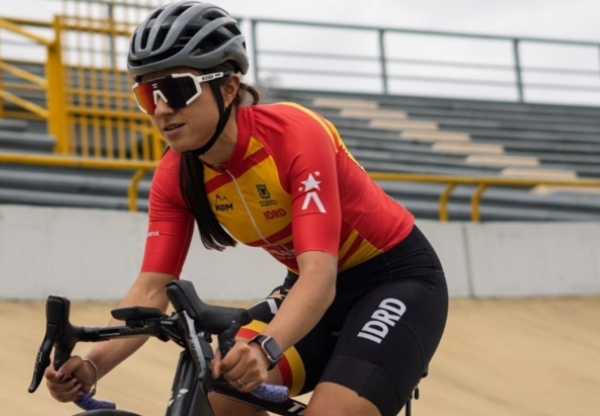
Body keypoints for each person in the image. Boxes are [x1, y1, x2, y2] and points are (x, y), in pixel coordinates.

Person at [43, 2, 449, 415]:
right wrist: (94, 363)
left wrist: (266, 348)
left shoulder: (295, 135)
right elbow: (150, 291)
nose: (162, 109)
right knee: (218, 390)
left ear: (229, 87)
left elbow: (319, 274)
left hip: (395, 281)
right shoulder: (175, 176)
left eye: (178, 89)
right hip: (310, 288)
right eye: (149, 95)